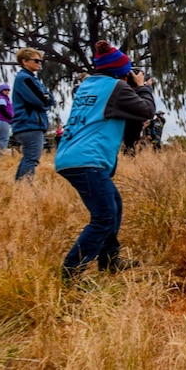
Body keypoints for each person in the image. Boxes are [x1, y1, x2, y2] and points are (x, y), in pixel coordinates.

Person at [57, 40, 155, 282]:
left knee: (114, 204)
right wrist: (142, 87)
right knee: (104, 217)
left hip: (71, 156)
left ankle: (110, 259)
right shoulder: (116, 88)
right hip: (87, 161)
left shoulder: (87, 84)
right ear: (121, 72)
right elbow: (146, 111)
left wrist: (128, 83)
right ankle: (71, 273)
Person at [12, 47, 55, 181]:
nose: (39, 63)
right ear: (24, 61)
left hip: (31, 124)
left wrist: (46, 99)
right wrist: (45, 99)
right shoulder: (25, 78)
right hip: (30, 124)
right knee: (32, 158)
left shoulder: (30, 78)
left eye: (40, 61)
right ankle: (25, 187)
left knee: (29, 157)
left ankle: (21, 188)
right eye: (36, 60)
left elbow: (50, 99)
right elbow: (40, 100)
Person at [0, 83, 13, 156]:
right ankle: (0, 156)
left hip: (2, 120)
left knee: (1, 138)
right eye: (5, 90)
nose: (7, 91)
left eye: (8, 90)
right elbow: (2, 110)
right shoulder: (1, 99)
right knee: (4, 138)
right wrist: (10, 117)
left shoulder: (5, 99)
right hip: (2, 120)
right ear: (1, 91)